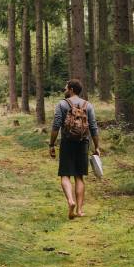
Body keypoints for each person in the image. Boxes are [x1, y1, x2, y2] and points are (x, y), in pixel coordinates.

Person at [49, 79, 100, 219]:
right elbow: (93, 127)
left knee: (65, 174)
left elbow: (56, 125)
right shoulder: (87, 105)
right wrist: (97, 147)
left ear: (71, 89)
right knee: (79, 177)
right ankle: (79, 210)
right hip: (83, 143)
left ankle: (70, 201)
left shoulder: (62, 104)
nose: (64, 90)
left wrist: (51, 144)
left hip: (67, 142)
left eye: (66, 88)